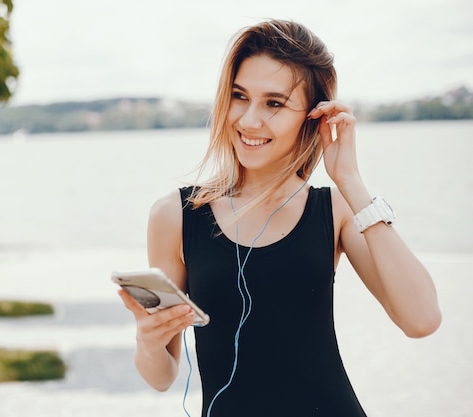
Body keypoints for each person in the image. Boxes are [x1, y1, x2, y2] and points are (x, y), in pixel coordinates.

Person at [118, 19, 441, 416]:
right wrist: (148, 340)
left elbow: (422, 319)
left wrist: (351, 181)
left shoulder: (335, 209)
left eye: (274, 103)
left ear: (313, 115)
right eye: (240, 96)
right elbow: (162, 376)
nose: (249, 120)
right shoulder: (176, 216)